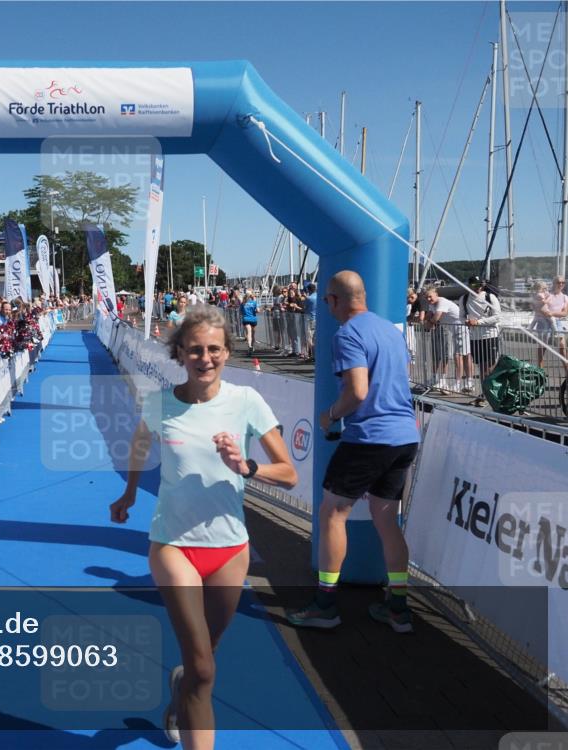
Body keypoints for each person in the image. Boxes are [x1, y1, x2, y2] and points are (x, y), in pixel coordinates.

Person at [111, 306, 297, 747]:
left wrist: (248, 466)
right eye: (195, 350)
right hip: (173, 545)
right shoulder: (160, 403)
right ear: (179, 353)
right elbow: (140, 444)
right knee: (205, 669)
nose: (205, 358)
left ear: (227, 352)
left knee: (202, 661)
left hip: (230, 549)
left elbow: (289, 473)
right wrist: (129, 492)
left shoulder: (246, 401)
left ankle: (181, 693)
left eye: (214, 349)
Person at [289, 271, 420, 633]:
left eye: (327, 301)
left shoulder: (348, 334)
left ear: (334, 300)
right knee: (386, 520)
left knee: (332, 514)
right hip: (404, 436)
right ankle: (398, 607)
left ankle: (325, 605)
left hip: (370, 437)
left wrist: (330, 415)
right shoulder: (390, 331)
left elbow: (358, 392)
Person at [459, 275, 502, 401]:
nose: (477, 287)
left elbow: (497, 316)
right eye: (474, 285)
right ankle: (486, 393)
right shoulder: (464, 298)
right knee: (482, 367)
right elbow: (461, 316)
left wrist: (478, 322)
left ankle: (490, 393)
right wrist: (466, 321)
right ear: (469, 285)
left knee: (489, 366)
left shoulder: (490, 297)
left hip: (490, 335)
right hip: (474, 337)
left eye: (480, 285)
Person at [423, 285, 462, 391]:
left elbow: (436, 317)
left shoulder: (442, 302)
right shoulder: (432, 304)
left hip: (454, 328)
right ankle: (434, 378)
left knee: (446, 355)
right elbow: (428, 316)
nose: (428, 299)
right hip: (445, 327)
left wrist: (428, 323)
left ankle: (444, 380)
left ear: (436, 294)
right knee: (436, 354)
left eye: (430, 296)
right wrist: (427, 321)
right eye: (426, 297)